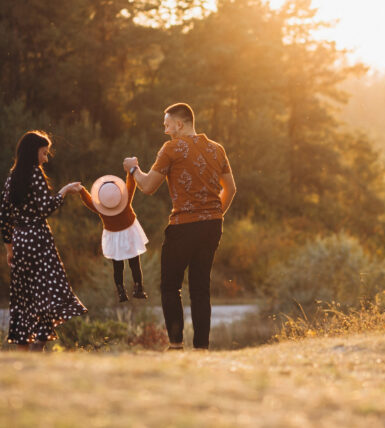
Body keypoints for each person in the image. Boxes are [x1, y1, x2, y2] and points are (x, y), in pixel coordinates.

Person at [123, 103, 236, 350]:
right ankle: (201, 349)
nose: (165, 131)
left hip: (183, 226)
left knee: (170, 286)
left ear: (179, 124)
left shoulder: (171, 148)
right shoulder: (217, 149)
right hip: (212, 226)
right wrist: (214, 214)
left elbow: (148, 186)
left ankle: (176, 346)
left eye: (167, 125)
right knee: (200, 288)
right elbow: (231, 188)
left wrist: (133, 168)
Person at [0, 131, 87, 350]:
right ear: (33, 152)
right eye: (44, 153)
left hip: (20, 241)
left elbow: (4, 216)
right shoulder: (34, 173)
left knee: (24, 296)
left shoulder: (12, 177)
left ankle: (23, 350)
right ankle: (38, 345)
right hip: (38, 240)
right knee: (49, 291)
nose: (46, 159)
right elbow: (45, 208)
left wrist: (9, 249)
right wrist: (65, 190)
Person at [79, 173, 149, 302]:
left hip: (114, 236)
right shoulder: (125, 200)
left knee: (118, 266)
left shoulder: (101, 208)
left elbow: (88, 201)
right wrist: (130, 172)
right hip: (129, 233)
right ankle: (139, 289)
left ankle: (121, 291)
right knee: (134, 263)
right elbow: (131, 185)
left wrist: (82, 191)